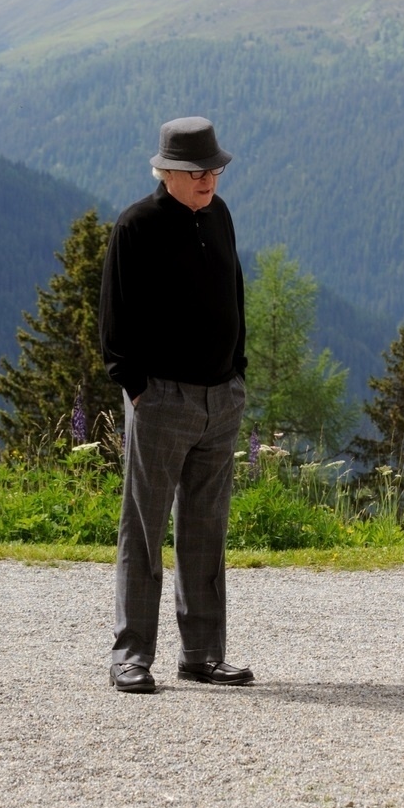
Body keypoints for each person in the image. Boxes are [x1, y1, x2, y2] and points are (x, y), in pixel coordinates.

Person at [100, 116, 252, 692]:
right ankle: (131, 656)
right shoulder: (136, 225)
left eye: (214, 168)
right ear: (166, 172)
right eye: (197, 171)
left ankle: (203, 655)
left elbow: (233, 289)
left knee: (205, 531)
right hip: (161, 398)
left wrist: (237, 372)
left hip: (221, 398)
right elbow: (114, 321)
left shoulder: (219, 213)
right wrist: (137, 386)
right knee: (143, 530)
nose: (209, 179)